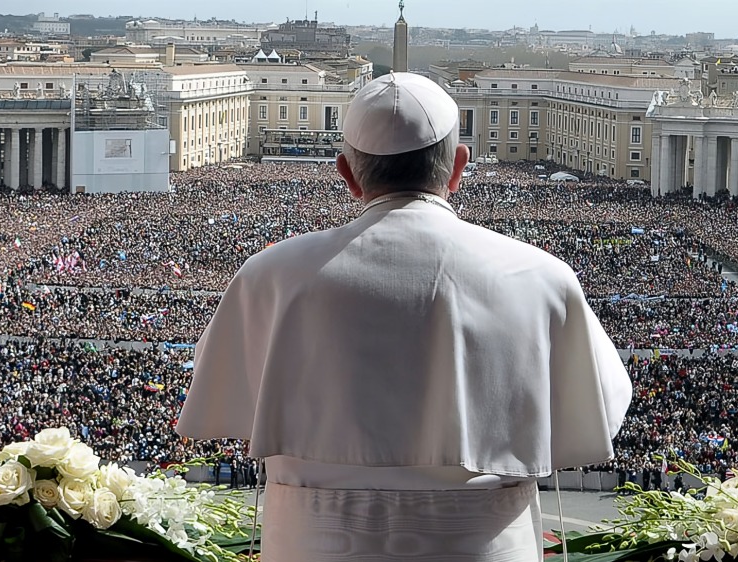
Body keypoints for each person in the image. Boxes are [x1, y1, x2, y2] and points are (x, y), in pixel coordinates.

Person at [176, 72, 632, 561]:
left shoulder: (269, 275)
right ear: (459, 167)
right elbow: (602, 410)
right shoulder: (543, 277)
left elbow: (218, 387)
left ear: (346, 175)